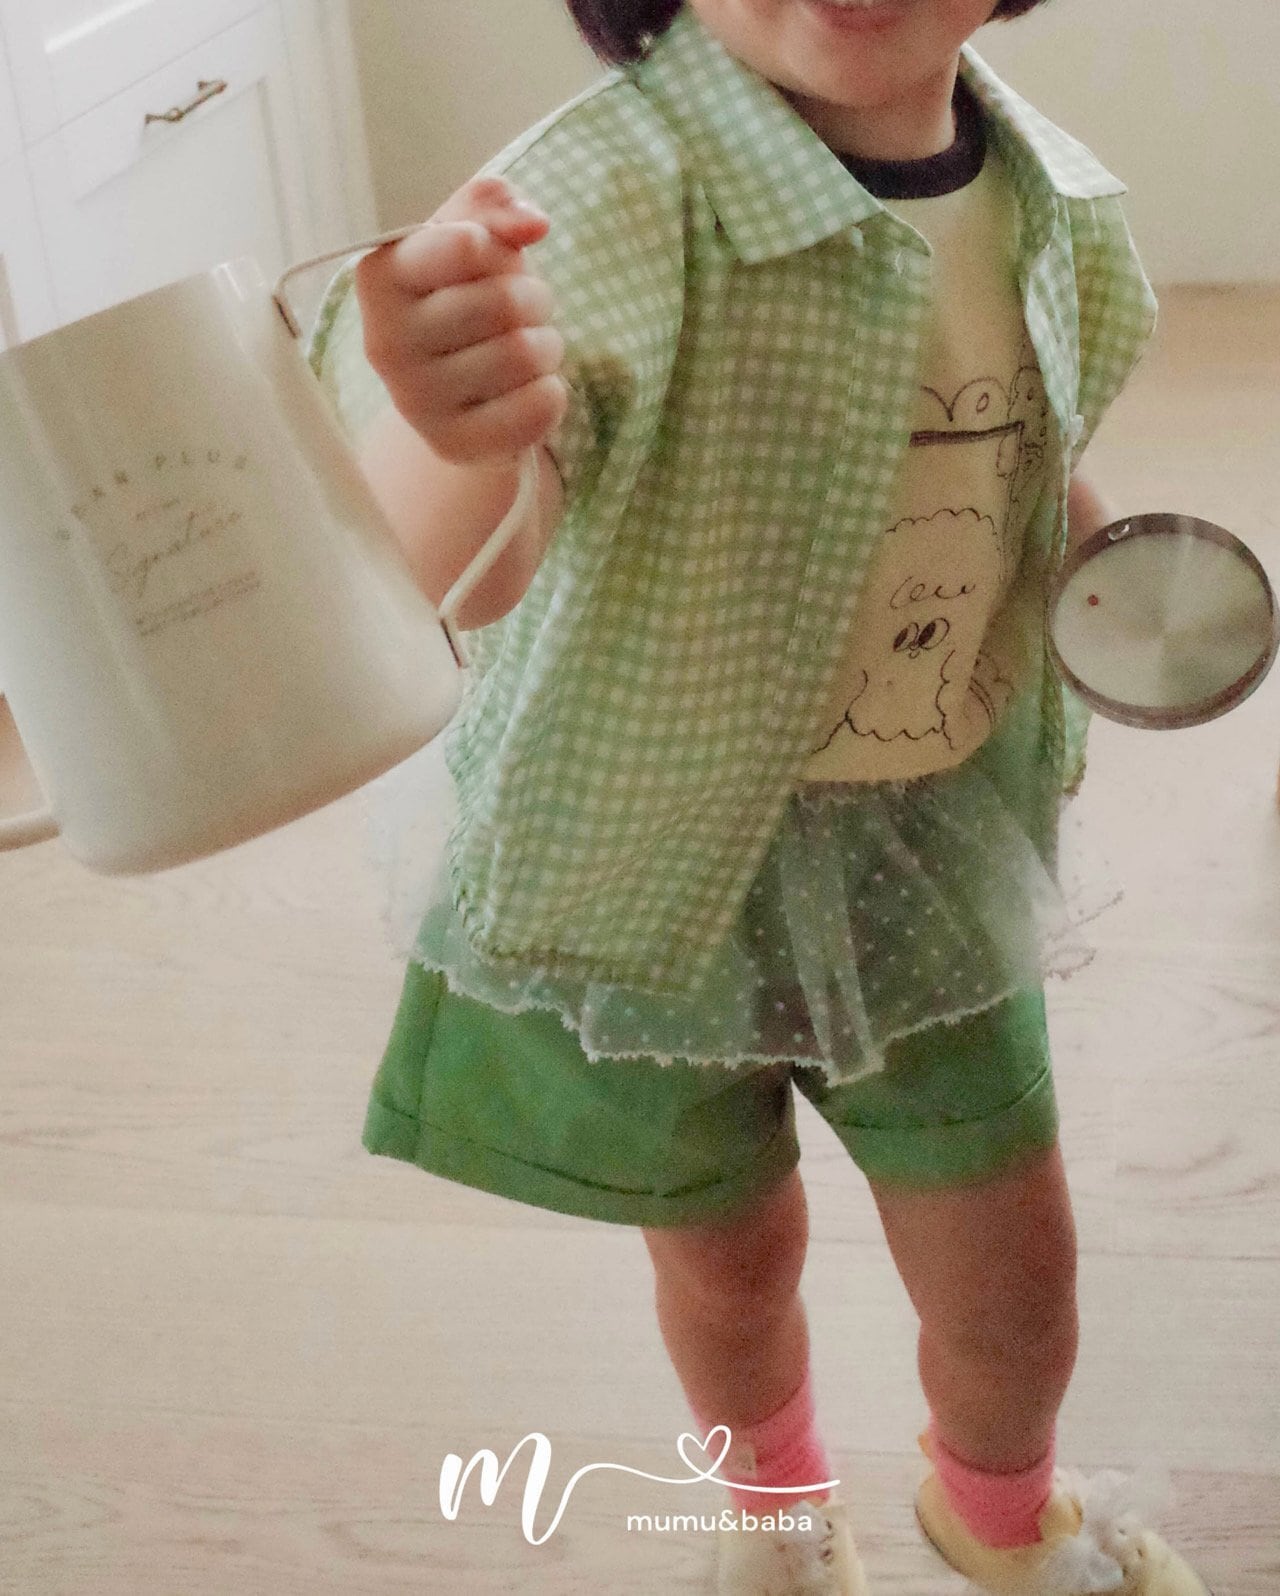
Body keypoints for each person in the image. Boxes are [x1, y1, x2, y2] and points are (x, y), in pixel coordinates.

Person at [305, 2, 1209, 1591]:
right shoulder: (591, 210)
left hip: (931, 841)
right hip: (661, 863)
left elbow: (1014, 439)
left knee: (1014, 1280)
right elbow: (461, 570)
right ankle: (775, 1513)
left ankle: (998, 1516)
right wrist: (452, 428)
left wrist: (1107, 566)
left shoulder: (1045, 197)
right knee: (728, 1263)